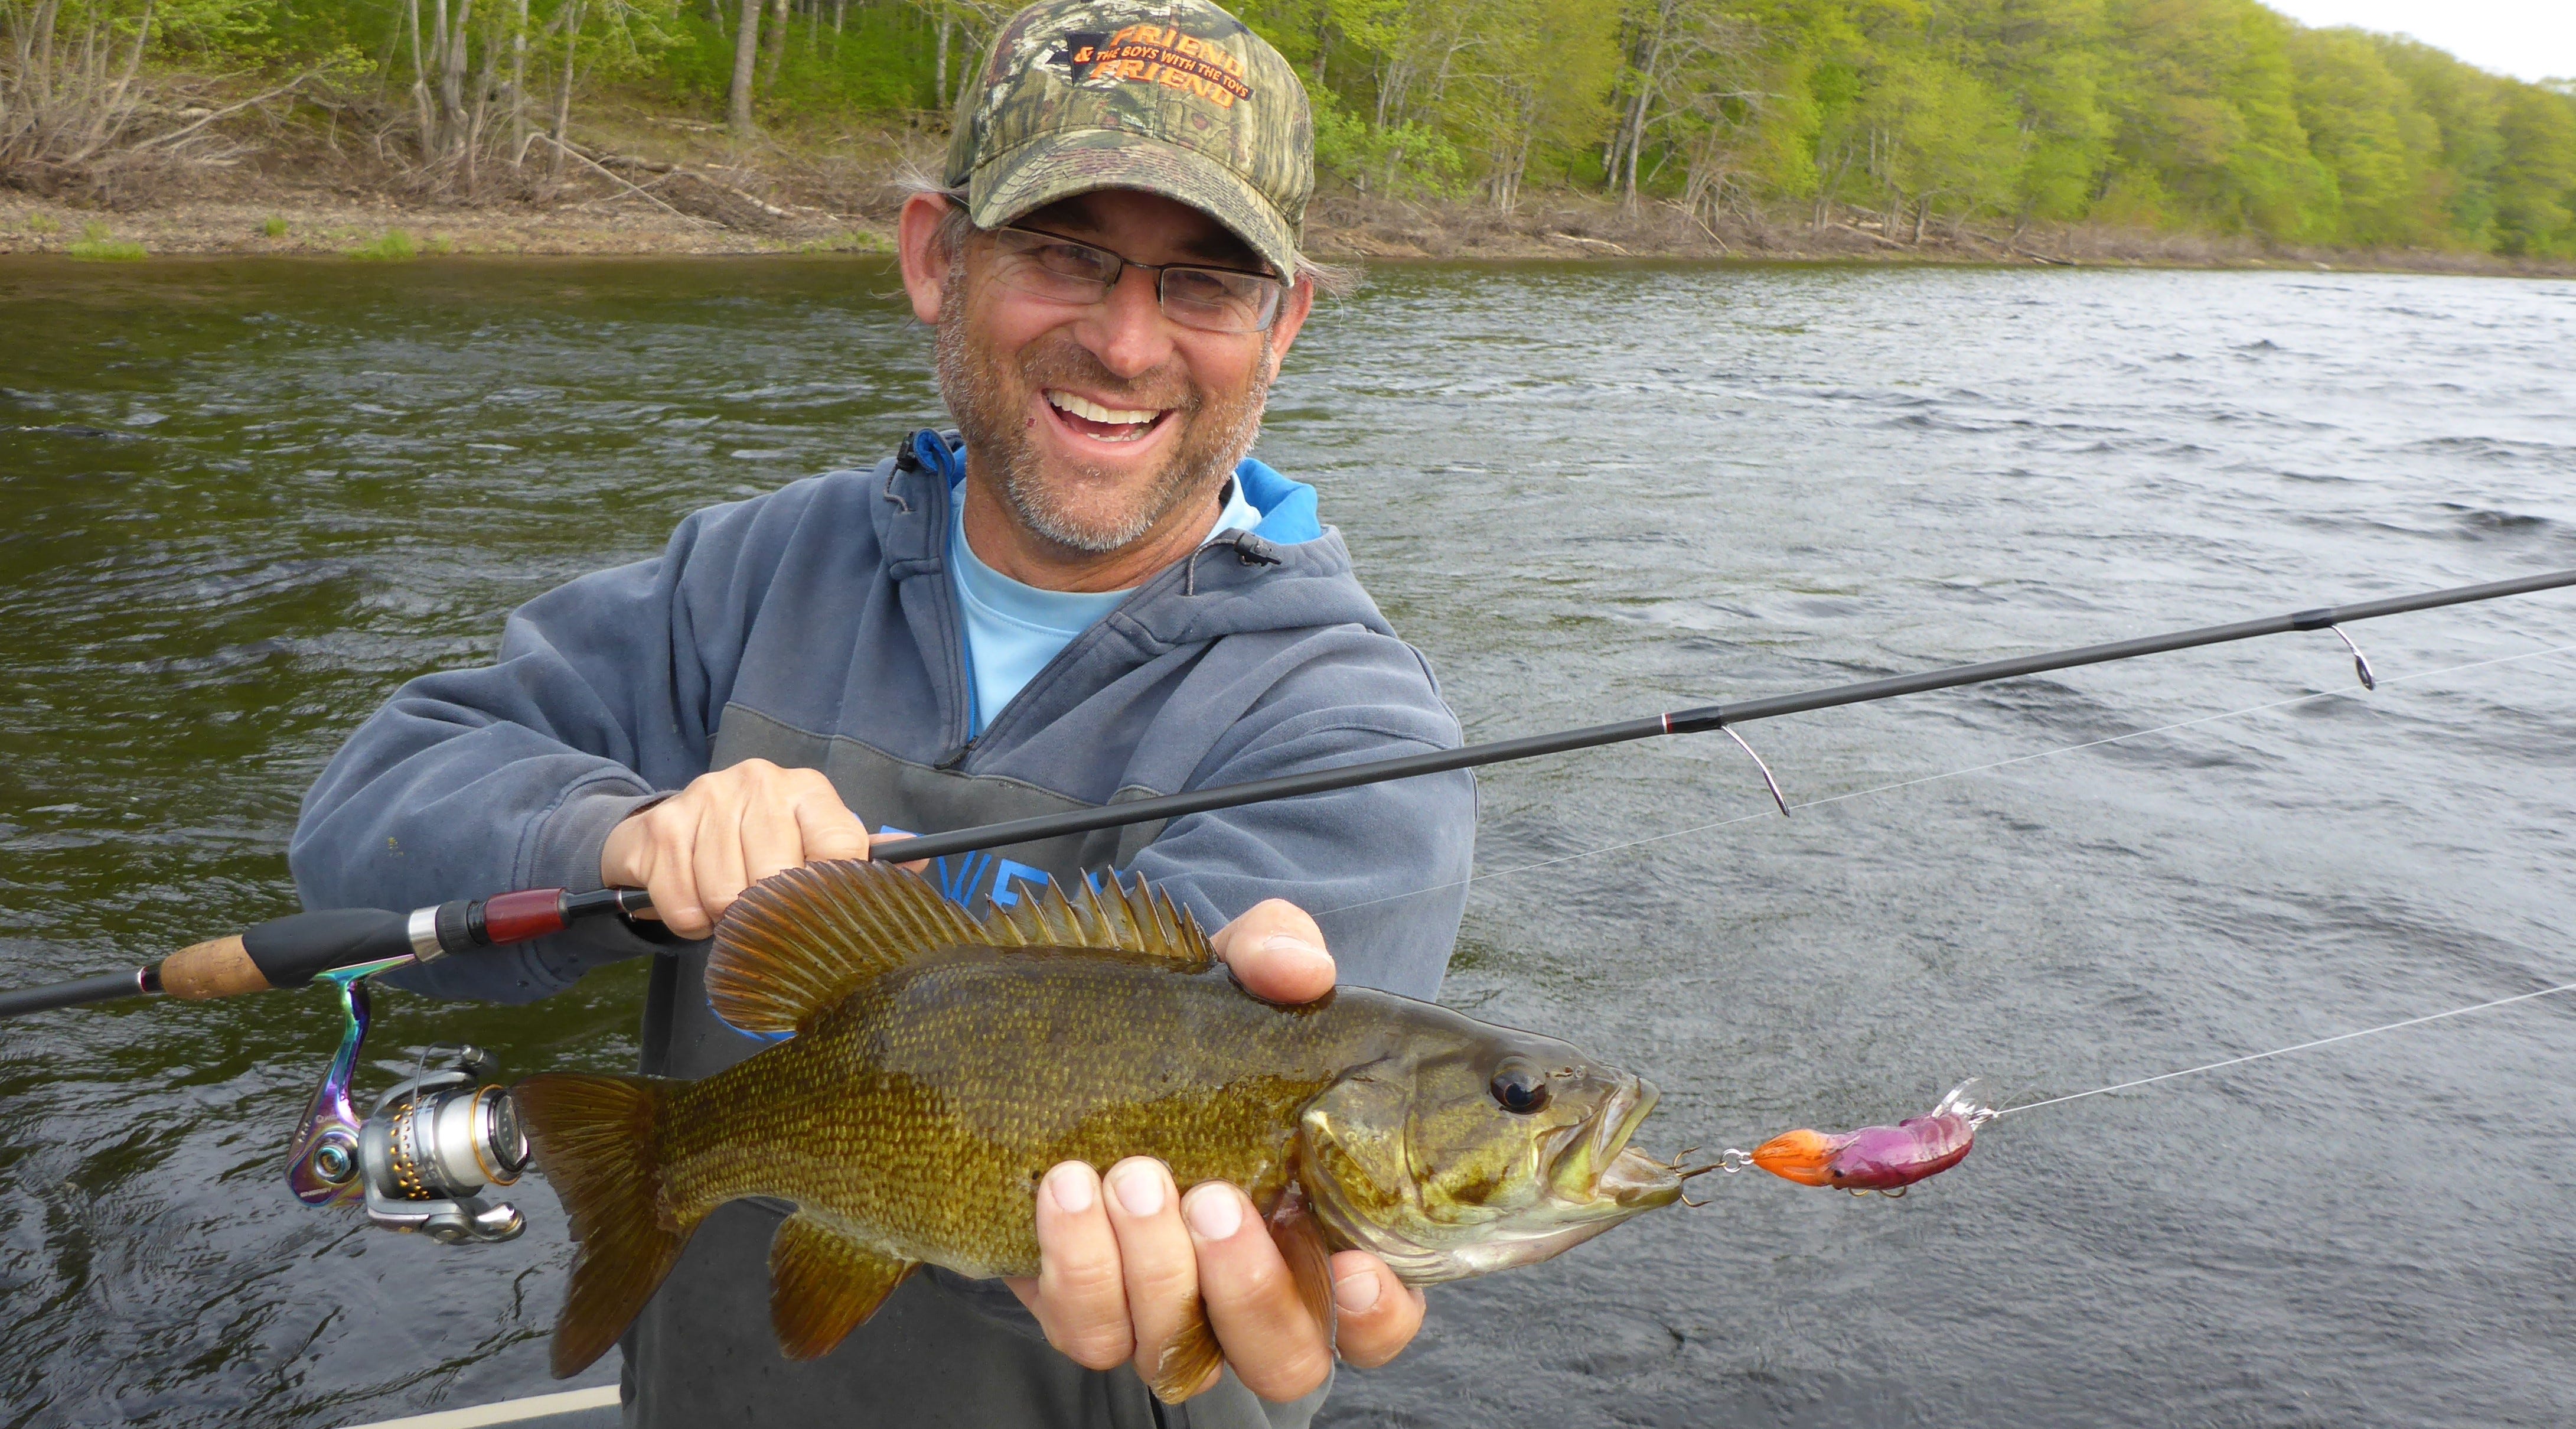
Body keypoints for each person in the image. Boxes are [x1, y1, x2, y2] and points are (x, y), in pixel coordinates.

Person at [287, 1, 1477, 1424]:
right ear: (938, 256)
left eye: (1205, 282)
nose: (1124, 338)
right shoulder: (747, 575)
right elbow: (357, 835)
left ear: (1280, 324)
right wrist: (624, 835)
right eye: (1064, 254)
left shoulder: (1352, 732)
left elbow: (1213, 1221)